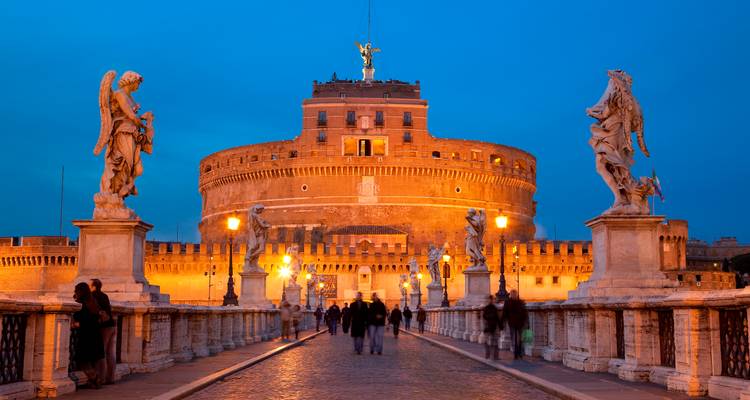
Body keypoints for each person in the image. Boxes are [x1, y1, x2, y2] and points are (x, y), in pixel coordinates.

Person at [71, 282, 105, 388]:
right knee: (92, 360)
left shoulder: (81, 304)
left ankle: (95, 378)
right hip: (96, 334)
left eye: (76, 290)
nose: (74, 292)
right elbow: (96, 318)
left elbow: (83, 319)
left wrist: (78, 324)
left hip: (86, 336)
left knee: (83, 361)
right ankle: (93, 381)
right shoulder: (93, 302)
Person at [89, 279, 116, 385]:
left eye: (89, 285)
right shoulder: (105, 296)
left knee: (102, 352)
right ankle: (111, 378)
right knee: (111, 352)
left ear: (93, 286)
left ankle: (101, 378)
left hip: (103, 327)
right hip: (112, 325)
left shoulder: (92, 296)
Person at [501, 289, 528, 359]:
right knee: (514, 338)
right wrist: (502, 322)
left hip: (520, 323)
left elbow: (525, 313)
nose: (514, 296)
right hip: (512, 323)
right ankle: (516, 353)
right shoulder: (508, 302)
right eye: (513, 294)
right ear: (511, 295)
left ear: (516, 295)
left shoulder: (521, 302)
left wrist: (527, 323)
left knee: (520, 339)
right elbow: (504, 313)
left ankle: (519, 352)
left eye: (515, 294)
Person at [482, 295, 502, 360]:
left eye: (492, 300)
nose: (491, 301)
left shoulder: (495, 308)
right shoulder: (486, 308)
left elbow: (498, 318)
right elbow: (484, 317)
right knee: (487, 341)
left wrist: (500, 326)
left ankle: (495, 356)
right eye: (490, 300)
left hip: (494, 326)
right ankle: (488, 354)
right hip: (488, 326)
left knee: (495, 341)